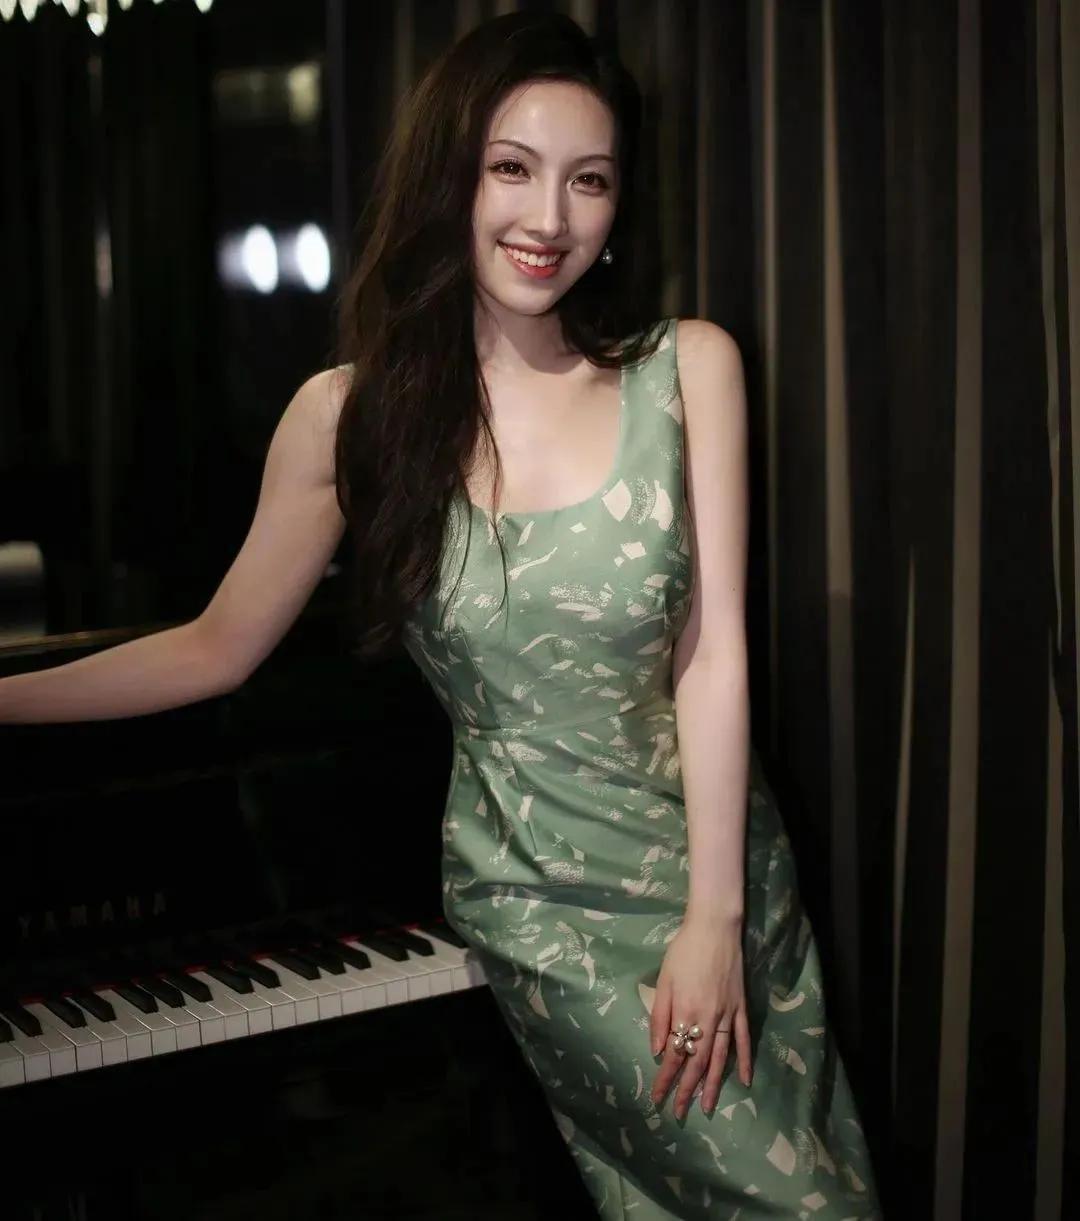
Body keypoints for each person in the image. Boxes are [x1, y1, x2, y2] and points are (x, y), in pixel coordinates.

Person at [0, 12, 882, 1219]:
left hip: (728, 881)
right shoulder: (348, 421)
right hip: (548, 905)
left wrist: (717, 920)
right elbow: (214, 649)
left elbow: (713, 654)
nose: (550, 218)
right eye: (512, 168)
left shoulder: (689, 369)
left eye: (590, 181)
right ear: (449, 177)